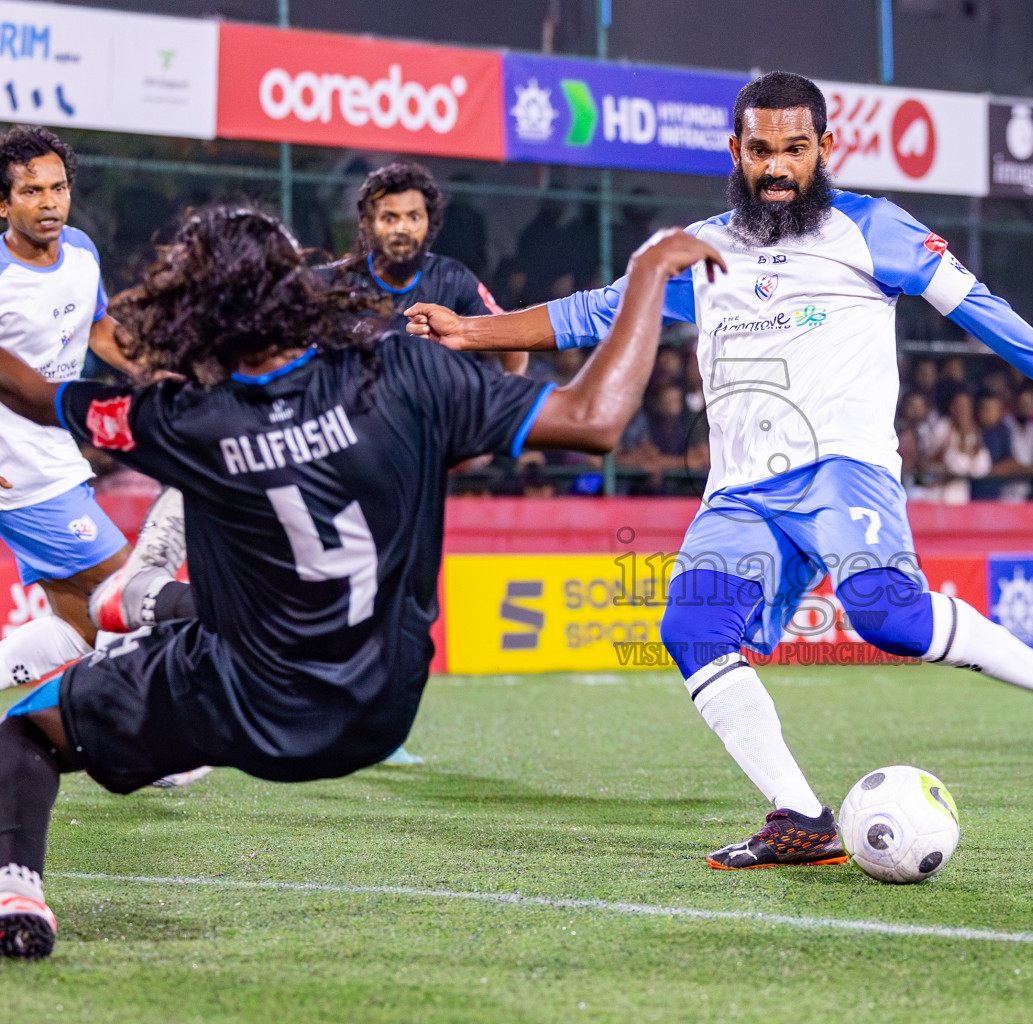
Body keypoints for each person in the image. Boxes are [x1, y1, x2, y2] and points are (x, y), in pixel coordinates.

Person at [407, 72, 1033, 870]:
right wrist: (470, 330)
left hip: (845, 470)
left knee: (889, 620)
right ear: (735, 152)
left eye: (794, 149)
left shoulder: (872, 229)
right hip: (740, 493)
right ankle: (800, 817)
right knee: (693, 630)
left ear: (825, 149)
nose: (777, 167)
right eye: (761, 150)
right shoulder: (702, 252)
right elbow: (593, 311)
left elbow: (978, 304)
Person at [0, 207, 723, 958]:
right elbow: (595, 419)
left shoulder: (177, 417)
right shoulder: (405, 374)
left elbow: (30, 395)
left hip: (240, 705)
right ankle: (154, 603)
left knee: (24, 732)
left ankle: (17, 888)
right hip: (382, 705)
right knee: (232, 592)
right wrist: (645, 277)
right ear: (301, 287)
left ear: (196, 308)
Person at [92, 162, 528, 766]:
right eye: (389, 216)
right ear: (367, 222)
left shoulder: (453, 280)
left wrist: (478, 432)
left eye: (413, 216)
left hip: (384, 465)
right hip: (305, 454)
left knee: (382, 585)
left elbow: (513, 343)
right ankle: (158, 621)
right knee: (266, 559)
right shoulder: (326, 284)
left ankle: (355, 713)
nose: (401, 228)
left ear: (430, 224)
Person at [0, 126, 136, 694]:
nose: (49, 201)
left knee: (81, 627)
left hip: (59, 459)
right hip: (21, 473)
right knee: (132, 592)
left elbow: (99, 329)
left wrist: (165, 373)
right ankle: (159, 748)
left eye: (58, 188)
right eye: (31, 191)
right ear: (2, 203)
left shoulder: (81, 249)